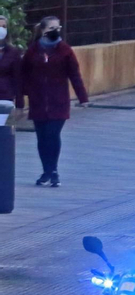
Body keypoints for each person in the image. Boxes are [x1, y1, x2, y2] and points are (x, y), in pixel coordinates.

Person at [20, 15, 89, 187]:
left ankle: (53, 170)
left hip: (58, 101)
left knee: (52, 135)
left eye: (58, 28)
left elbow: (74, 74)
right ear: (43, 30)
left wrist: (83, 97)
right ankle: (46, 171)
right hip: (38, 101)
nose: (55, 31)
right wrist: (21, 96)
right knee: (42, 138)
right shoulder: (33, 50)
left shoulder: (65, 50)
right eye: (51, 28)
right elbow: (23, 74)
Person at [0, 15, 21, 122]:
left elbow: (18, 78)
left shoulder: (13, 52)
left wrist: (19, 105)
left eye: (4, 26)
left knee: (5, 134)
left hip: (6, 100)